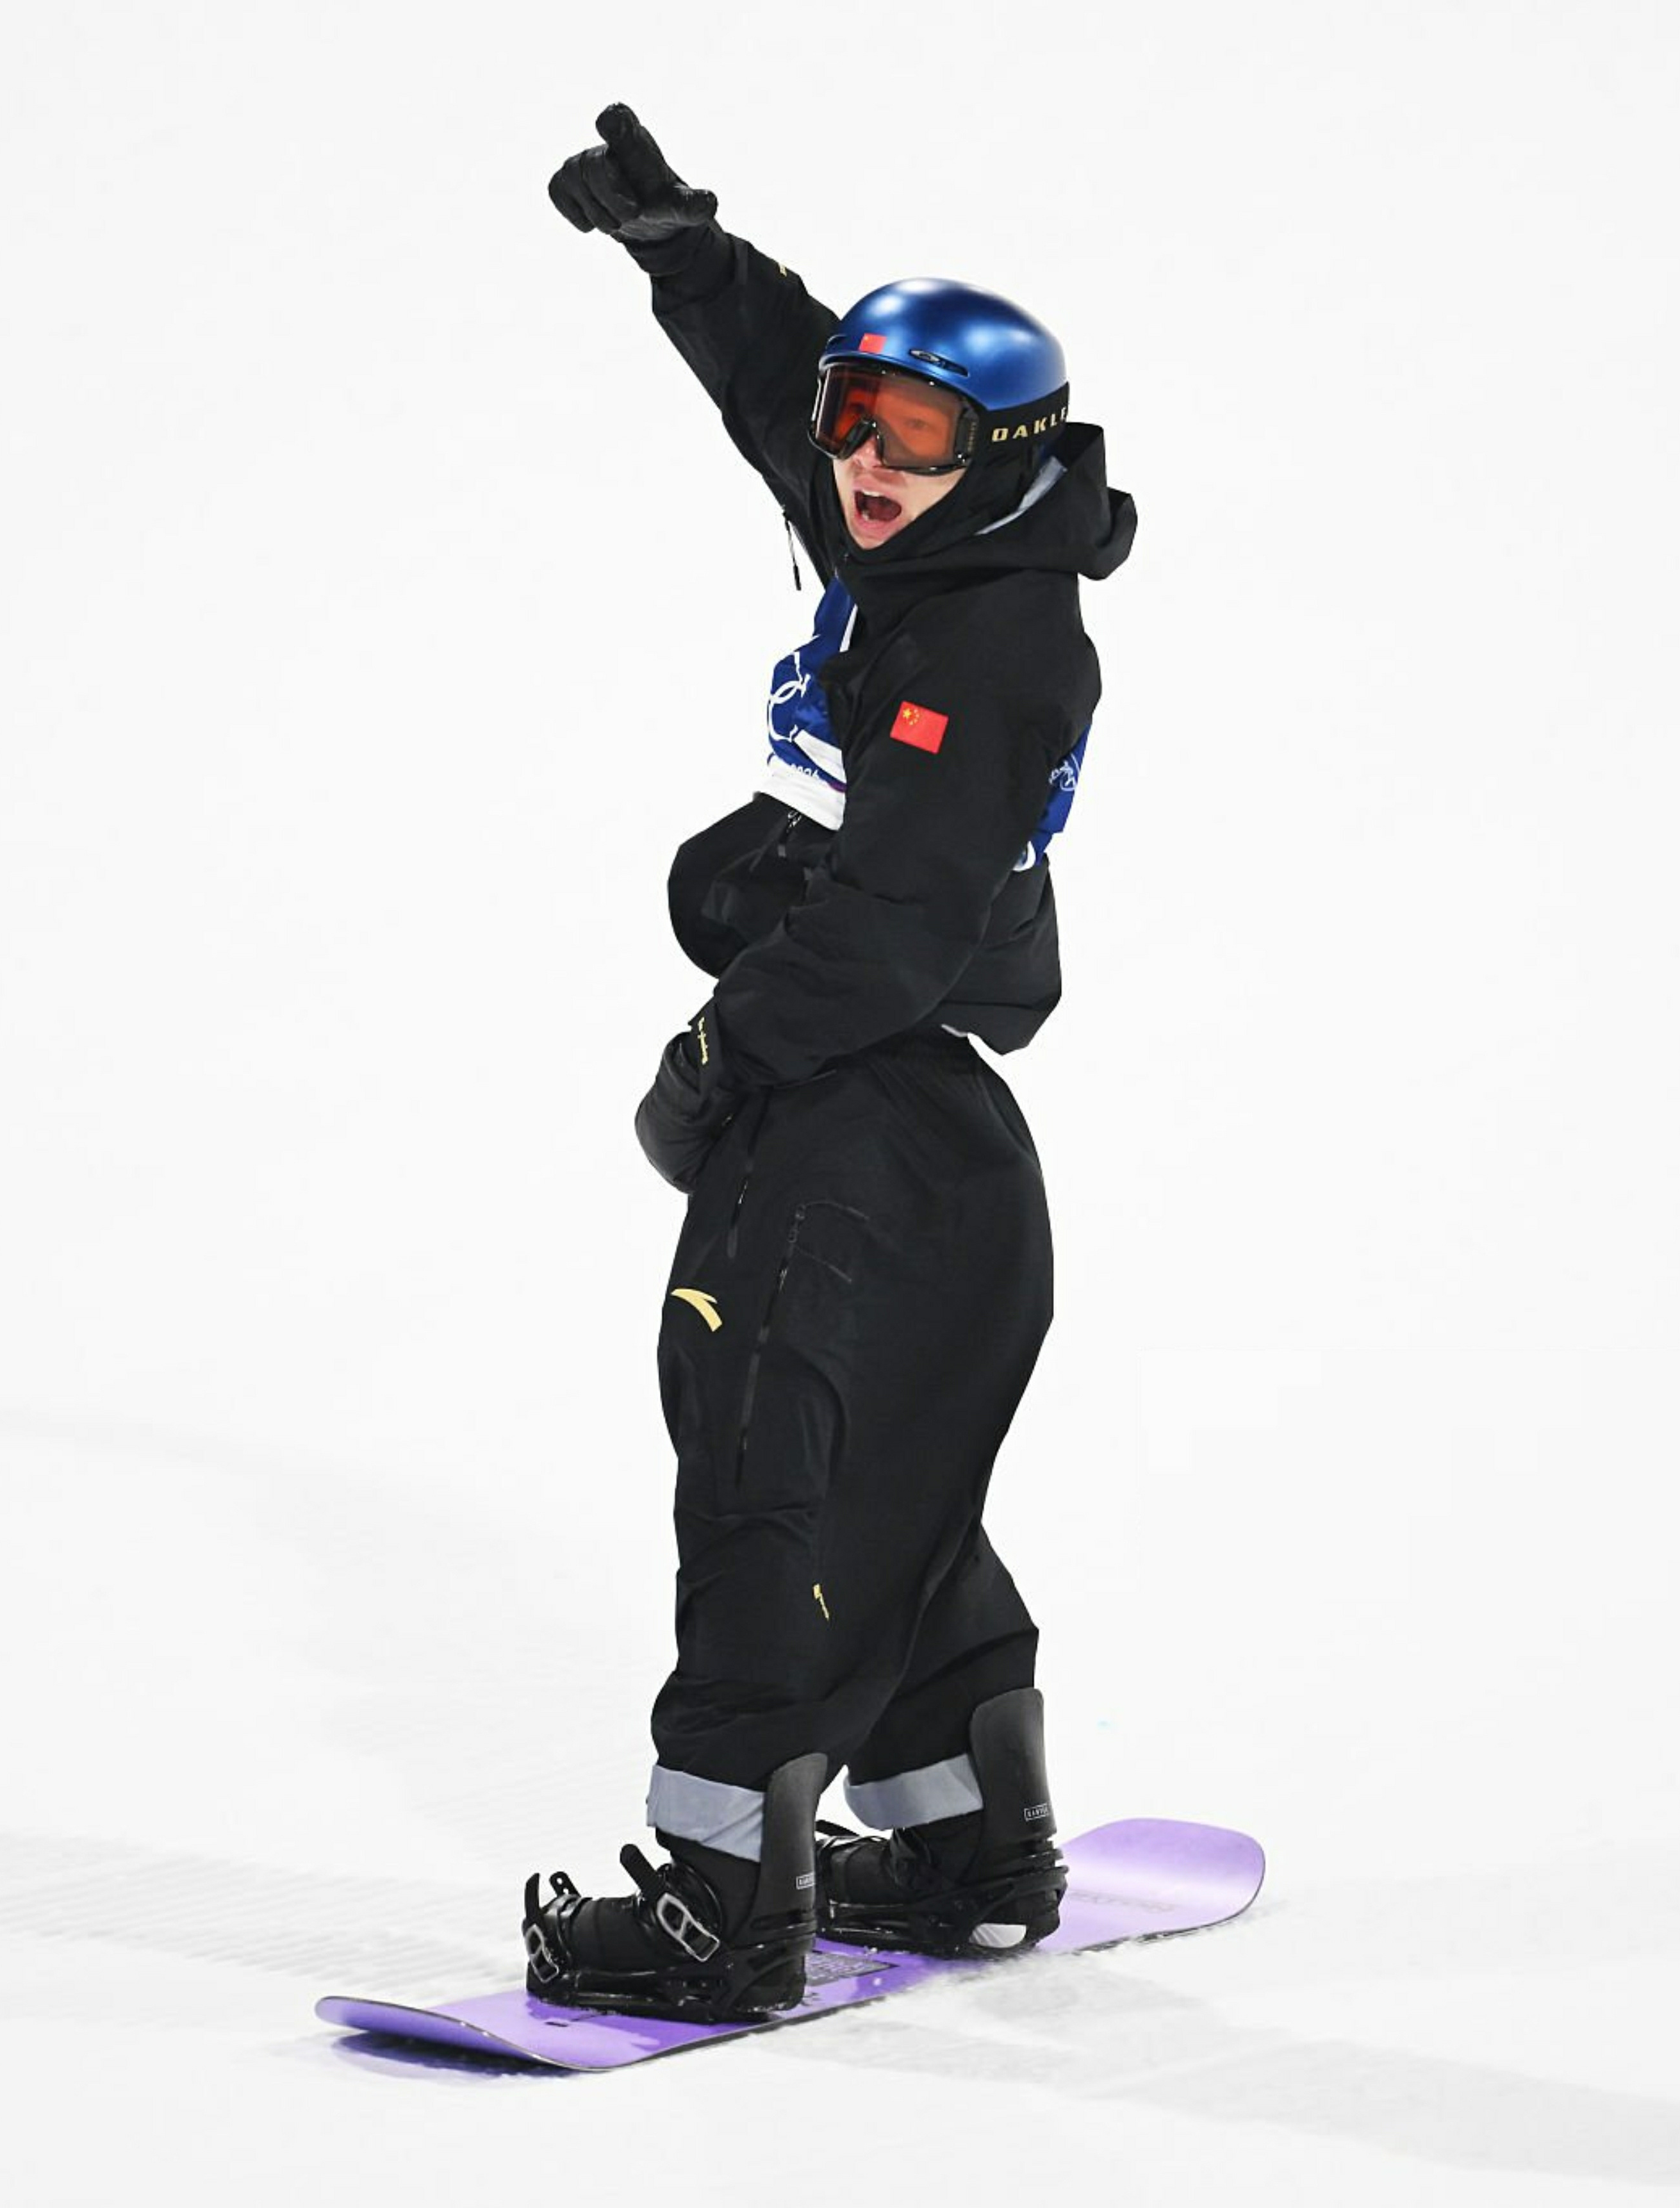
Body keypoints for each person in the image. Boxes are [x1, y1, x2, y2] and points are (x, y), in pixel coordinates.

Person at [519, 103, 1137, 2023]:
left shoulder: (991, 643)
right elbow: (779, 391)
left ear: (1004, 454)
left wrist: (710, 1060)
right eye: (860, 420)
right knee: (884, 1475)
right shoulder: (929, 533)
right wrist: (687, 257)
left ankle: (722, 1903)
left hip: (854, 1117)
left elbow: (894, 929)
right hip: (926, 1141)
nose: (865, 461)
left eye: (916, 435)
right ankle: (965, 1843)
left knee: (766, 1482)